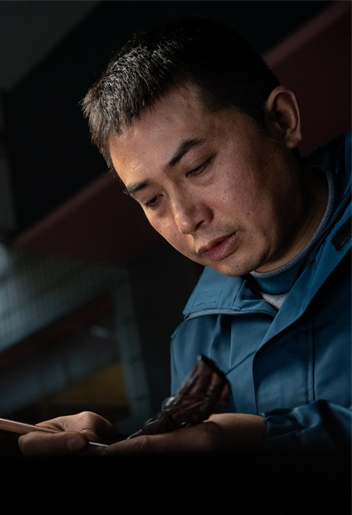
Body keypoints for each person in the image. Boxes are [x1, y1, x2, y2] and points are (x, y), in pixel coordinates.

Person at [18, 16, 351, 458]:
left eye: (197, 168)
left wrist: (271, 442)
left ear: (281, 120)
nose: (186, 218)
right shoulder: (198, 339)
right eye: (152, 199)